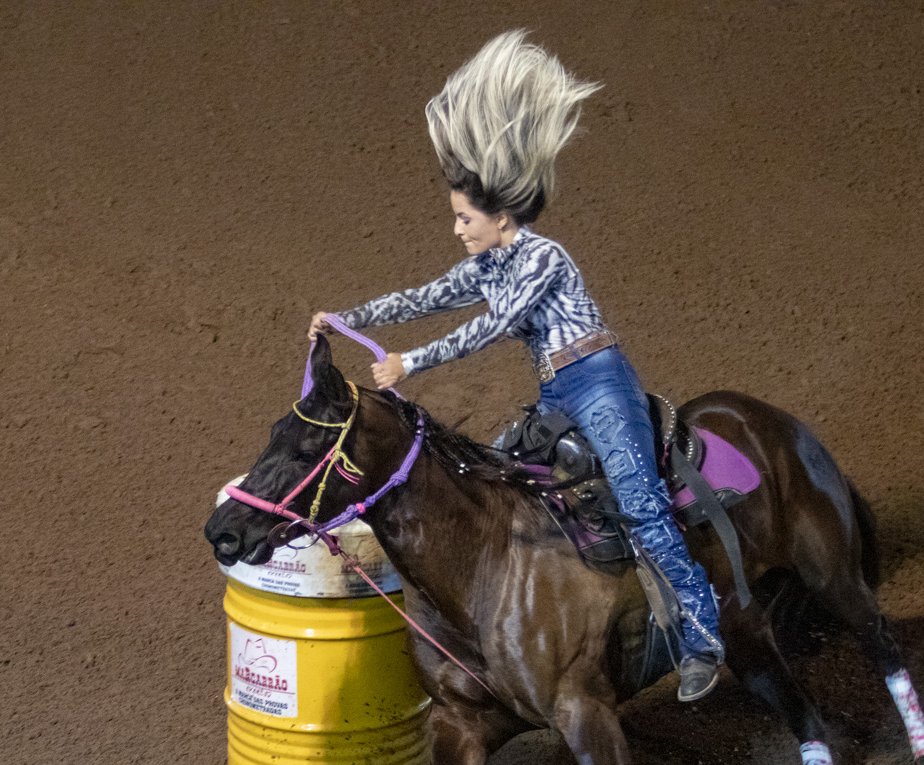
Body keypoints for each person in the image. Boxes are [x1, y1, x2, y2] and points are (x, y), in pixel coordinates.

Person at [308, 30, 723, 701]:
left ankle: (701, 634)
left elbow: (493, 326)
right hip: (557, 390)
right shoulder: (489, 261)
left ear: (499, 215)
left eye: (464, 218)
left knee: (643, 504)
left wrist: (412, 360)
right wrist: (346, 318)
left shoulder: (541, 257)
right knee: (490, 477)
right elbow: (424, 296)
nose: (457, 229)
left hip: (599, 384)